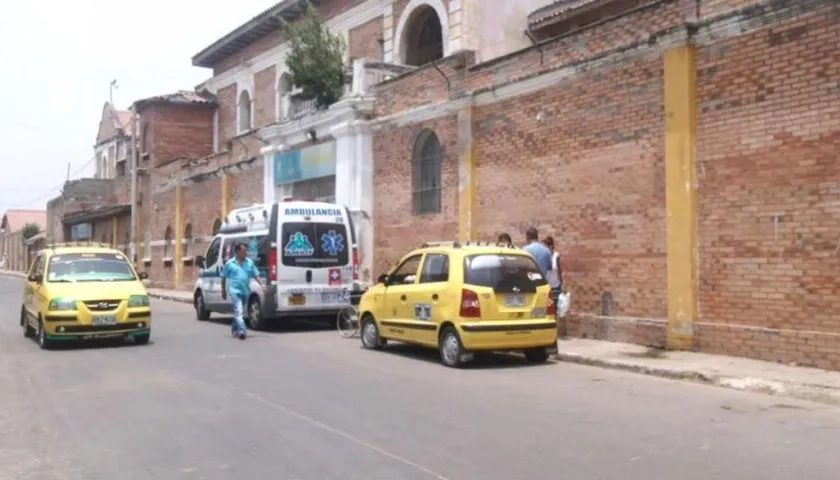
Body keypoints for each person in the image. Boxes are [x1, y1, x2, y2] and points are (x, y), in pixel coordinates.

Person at [221, 243, 263, 340]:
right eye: (244, 251)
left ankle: (235, 328)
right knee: (239, 310)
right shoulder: (230, 264)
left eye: (246, 251)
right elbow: (223, 277)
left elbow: (256, 275)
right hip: (234, 290)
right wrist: (223, 291)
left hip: (245, 291)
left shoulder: (249, 263)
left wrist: (262, 285)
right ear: (237, 252)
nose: (246, 253)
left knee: (239, 311)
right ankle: (242, 331)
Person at [542, 236, 564, 305]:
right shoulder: (544, 256)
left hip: (556, 285)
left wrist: (562, 284)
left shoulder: (556, 256)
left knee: (556, 305)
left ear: (551, 246)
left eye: (546, 246)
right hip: (547, 286)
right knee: (549, 306)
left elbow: (560, 270)